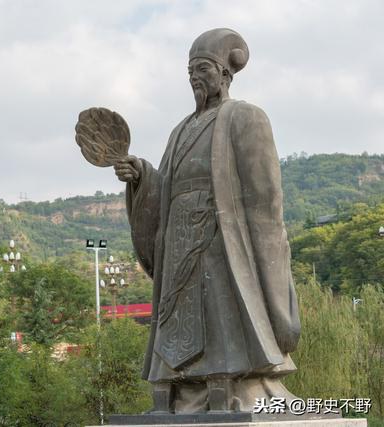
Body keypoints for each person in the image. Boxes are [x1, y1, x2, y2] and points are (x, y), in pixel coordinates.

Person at [113, 28, 301, 413]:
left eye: (202, 69)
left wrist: (264, 249)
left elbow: (265, 197)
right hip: (178, 243)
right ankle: (176, 393)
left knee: (221, 313)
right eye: (190, 72)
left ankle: (231, 386)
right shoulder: (180, 130)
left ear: (224, 73)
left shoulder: (244, 117)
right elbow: (164, 187)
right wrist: (142, 177)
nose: (195, 78)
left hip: (220, 242)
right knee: (176, 317)